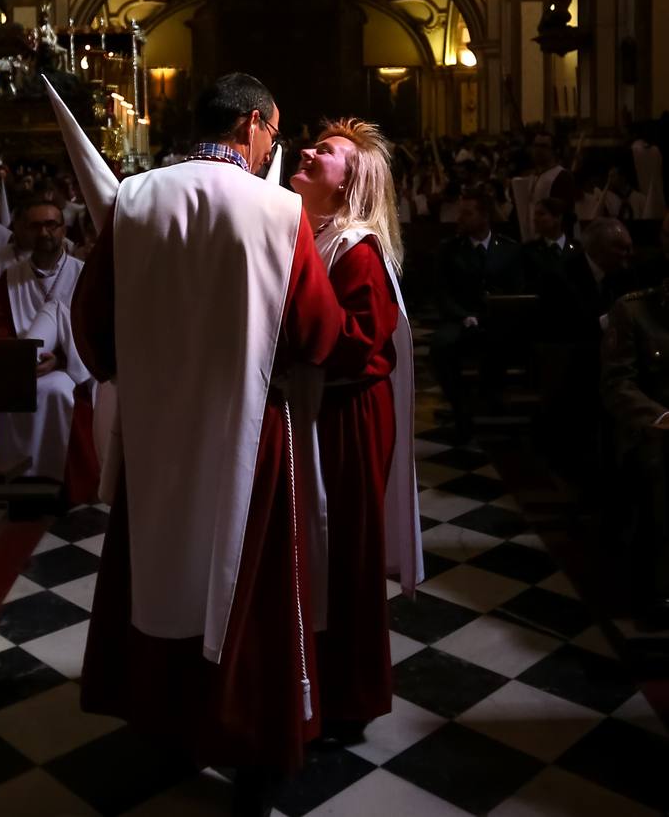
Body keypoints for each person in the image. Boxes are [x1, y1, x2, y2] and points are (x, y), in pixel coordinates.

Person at [65, 73, 345, 816]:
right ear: (252, 126)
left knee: (160, 574)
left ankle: (166, 731)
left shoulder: (134, 198)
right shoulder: (279, 210)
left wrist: (147, 372)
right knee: (249, 592)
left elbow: (91, 325)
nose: (273, 150)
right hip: (247, 427)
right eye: (273, 135)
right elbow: (317, 333)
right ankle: (254, 751)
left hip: (159, 427)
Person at [288, 118, 421, 743]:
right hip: (324, 407)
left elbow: (352, 340)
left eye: (329, 151)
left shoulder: (357, 249)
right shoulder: (314, 234)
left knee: (346, 549)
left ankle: (350, 693)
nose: (310, 151)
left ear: (354, 182)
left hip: (348, 415)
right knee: (319, 549)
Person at [0, 200, 88, 482]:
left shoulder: (83, 273)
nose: (44, 233)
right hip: (20, 364)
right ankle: (9, 476)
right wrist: (18, 359)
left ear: (63, 229)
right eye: (35, 226)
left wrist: (62, 359)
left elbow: (93, 327)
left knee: (57, 392)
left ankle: (53, 478)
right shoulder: (11, 276)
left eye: (51, 225)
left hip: (68, 366)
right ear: (23, 230)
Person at [429, 187, 525, 442]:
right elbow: (442, 293)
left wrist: (491, 316)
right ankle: (462, 410)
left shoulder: (509, 249)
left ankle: (491, 401)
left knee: (504, 345)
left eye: (468, 213)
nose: (460, 218)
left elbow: (516, 291)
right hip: (461, 319)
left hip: (497, 321)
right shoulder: (449, 249)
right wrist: (463, 315)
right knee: (440, 347)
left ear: (484, 217)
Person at [602, 279, 669, 619]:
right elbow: (618, 385)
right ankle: (659, 589)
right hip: (653, 427)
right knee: (657, 466)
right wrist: (660, 417)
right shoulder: (636, 310)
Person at [522, 197, 579, 287]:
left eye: (541, 214)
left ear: (558, 218)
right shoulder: (529, 250)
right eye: (535, 214)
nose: (535, 219)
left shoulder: (578, 249)